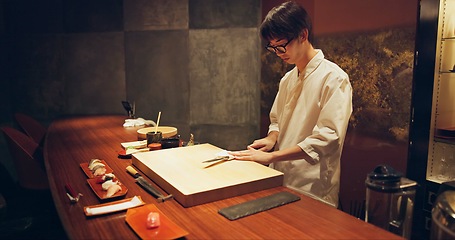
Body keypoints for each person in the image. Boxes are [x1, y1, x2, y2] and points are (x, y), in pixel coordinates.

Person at [229, 1, 352, 208]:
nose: (278, 52)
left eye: (281, 45)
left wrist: (272, 156)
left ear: (303, 35)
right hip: (282, 178)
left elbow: (328, 138)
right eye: (272, 47)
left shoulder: (334, 78)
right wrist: (271, 139)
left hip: (313, 185)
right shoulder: (288, 78)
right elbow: (277, 121)